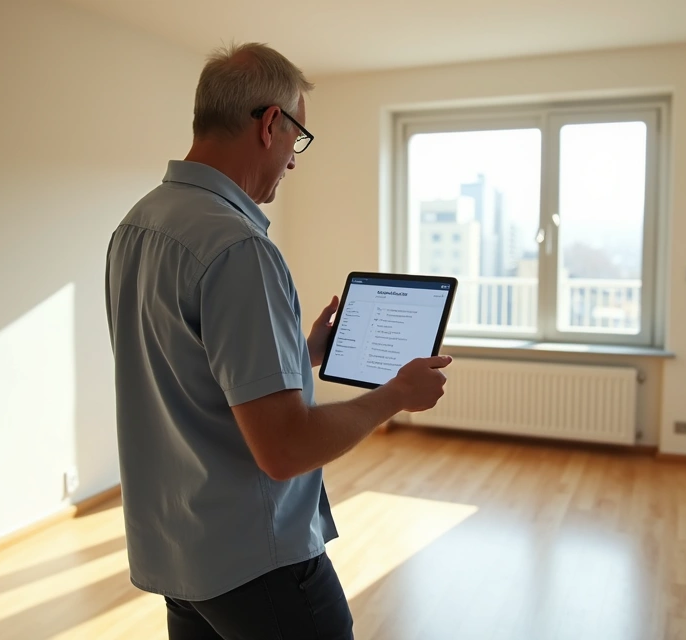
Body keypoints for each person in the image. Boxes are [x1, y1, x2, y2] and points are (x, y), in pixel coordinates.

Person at [104, 43, 452, 639]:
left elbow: (185, 371)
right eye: (299, 138)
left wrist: (301, 354)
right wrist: (396, 393)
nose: (294, 160)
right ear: (270, 124)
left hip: (179, 554)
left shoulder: (137, 226)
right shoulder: (238, 248)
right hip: (256, 564)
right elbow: (285, 449)